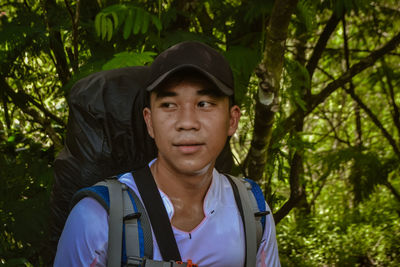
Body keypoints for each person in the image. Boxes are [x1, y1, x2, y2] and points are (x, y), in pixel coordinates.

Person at [54, 41, 280, 266]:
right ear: (149, 121)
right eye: (169, 105)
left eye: (204, 103)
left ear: (232, 120)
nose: (187, 122)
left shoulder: (253, 214)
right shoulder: (97, 219)